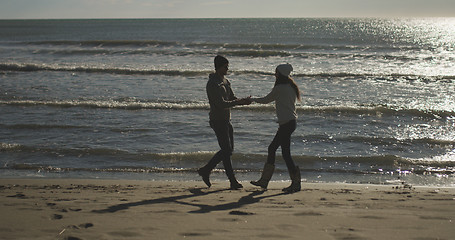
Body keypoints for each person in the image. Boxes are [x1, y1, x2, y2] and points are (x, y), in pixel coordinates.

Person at [198, 55, 251, 190]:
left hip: (226, 119)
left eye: (227, 66)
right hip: (217, 120)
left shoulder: (226, 81)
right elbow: (221, 104)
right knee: (226, 151)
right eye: (225, 66)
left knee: (229, 150)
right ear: (218, 67)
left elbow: (232, 98)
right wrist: (237, 102)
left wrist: (243, 101)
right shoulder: (213, 83)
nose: (227, 68)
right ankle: (232, 181)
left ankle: (206, 169)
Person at [250, 63, 301, 193]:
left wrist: (253, 100)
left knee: (272, 149)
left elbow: (266, 99)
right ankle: (293, 182)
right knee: (285, 153)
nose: (275, 74)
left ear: (280, 74)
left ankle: (266, 181)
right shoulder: (291, 86)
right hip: (289, 123)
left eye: (276, 72)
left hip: (286, 124)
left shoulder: (280, 87)